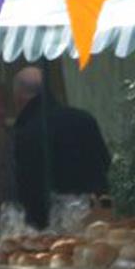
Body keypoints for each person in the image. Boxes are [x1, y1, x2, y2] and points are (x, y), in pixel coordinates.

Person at [10, 66, 111, 228]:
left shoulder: (28, 132)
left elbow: (27, 187)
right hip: (95, 218)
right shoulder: (85, 119)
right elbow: (105, 162)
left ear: (19, 98)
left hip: (49, 225)